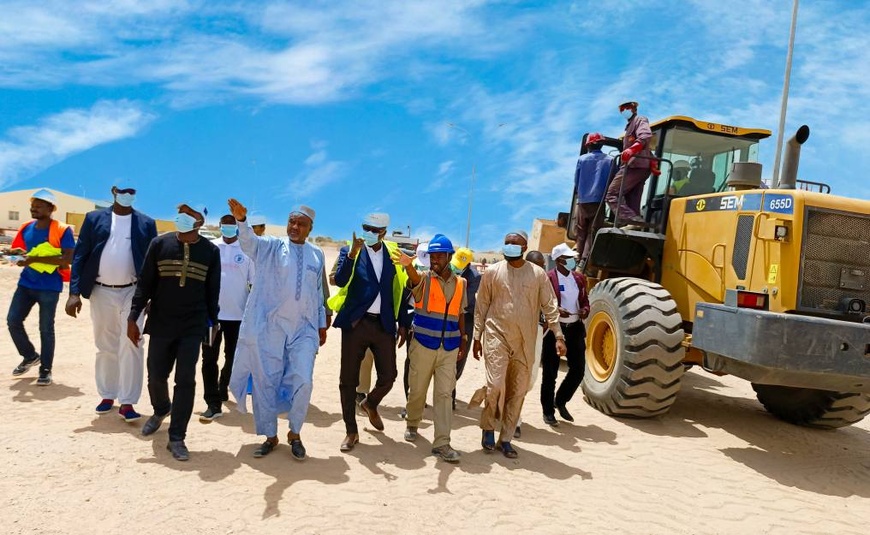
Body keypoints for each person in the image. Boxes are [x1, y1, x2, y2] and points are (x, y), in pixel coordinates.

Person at [226, 200, 327, 461]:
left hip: (303, 328)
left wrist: (321, 324)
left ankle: (295, 433)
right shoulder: (271, 246)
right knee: (265, 380)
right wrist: (241, 221)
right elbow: (249, 243)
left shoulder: (317, 254)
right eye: (291, 222)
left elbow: (317, 292)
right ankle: (270, 436)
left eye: (300, 223)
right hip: (270, 325)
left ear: (310, 228)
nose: (294, 227)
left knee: (304, 379)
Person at [129, 203, 221, 462]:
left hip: (192, 326)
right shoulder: (159, 244)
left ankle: (177, 436)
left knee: (185, 380)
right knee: (156, 375)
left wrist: (212, 323)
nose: (180, 218)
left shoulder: (211, 252)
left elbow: (213, 291)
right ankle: (161, 410)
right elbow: (144, 283)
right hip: (160, 322)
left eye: (188, 214)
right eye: (179, 213)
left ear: (199, 222)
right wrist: (133, 317)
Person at [65, 185, 158, 420]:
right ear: (114, 191)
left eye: (132, 191)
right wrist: (74, 292)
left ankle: (128, 402)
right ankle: (108, 394)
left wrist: (152, 296)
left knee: (132, 343)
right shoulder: (94, 218)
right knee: (105, 345)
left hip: (133, 292)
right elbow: (80, 255)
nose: (128, 195)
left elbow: (152, 262)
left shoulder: (146, 223)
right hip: (100, 291)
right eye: (123, 190)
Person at [473, 231, 565, 458]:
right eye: (507, 243)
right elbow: (482, 305)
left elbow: (550, 305)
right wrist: (477, 336)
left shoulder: (537, 274)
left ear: (524, 247)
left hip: (525, 341)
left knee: (517, 391)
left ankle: (506, 438)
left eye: (515, 243)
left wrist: (559, 336)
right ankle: (487, 428)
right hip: (497, 336)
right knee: (495, 385)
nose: (510, 246)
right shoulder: (493, 272)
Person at [329, 213, 409, 452]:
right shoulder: (349, 251)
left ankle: (371, 403)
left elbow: (401, 289)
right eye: (366, 228)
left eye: (375, 229)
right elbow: (340, 281)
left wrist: (403, 323)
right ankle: (351, 431)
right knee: (348, 380)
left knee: (389, 375)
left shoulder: (394, 255)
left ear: (384, 232)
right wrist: (352, 254)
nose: (369, 232)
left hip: (383, 324)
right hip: (356, 323)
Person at [392, 234, 466, 463]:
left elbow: (460, 313)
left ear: (448, 257)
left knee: (444, 394)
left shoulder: (461, 284)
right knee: (418, 390)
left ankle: (442, 443)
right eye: (432, 256)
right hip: (423, 344)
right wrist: (407, 267)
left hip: (450, 347)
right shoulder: (423, 279)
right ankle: (413, 423)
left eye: (439, 255)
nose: (434, 260)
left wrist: (463, 340)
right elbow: (413, 280)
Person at [7, 189, 76, 386]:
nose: (33, 208)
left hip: (49, 287)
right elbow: (25, 252)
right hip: (26, 284)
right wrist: (16, 254)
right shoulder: (26, 227)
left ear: (50, 208)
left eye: (38, 206)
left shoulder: (62, 230)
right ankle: (29, 356)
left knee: (46, 329)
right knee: (13, 321)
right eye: (33, 205)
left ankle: (45, 369)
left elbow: (68, 257)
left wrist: (33, 259)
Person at [197, 214, 254, 423]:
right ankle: (212, 402)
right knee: (208, 358)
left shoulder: (246, 251)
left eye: (232, 225)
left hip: (238, 317)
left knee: (233, 357)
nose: (228, 228)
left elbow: (254, 283)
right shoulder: (211, 247)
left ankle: (223, 385)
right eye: (225, 225)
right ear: (220, 226)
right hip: (211, 315)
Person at [541, 243, 590, 426]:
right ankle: (548, 411)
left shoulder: (578, 278)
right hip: (555, 330)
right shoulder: (548, 279)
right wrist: (556, 309)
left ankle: (560, 400)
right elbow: (543, 302)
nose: (573, 260)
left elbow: (585, 300)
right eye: (569, 258)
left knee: (578, 370)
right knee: (550, 373)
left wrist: (585, 309)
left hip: (575, 329)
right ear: (559, 260)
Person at [513, 250, 549, 439]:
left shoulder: (545, 284)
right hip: (514, 334)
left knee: (529, 379)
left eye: (542, 266)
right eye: (537, 265)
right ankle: (513, 420)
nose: (540, 269)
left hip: (536, 335)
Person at [605, 100, 654, 228]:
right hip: (640, 166)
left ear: (633, 108)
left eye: (625, 108)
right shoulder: (629, 126)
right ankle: (634, 223)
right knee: (632, 197)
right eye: (621, 109)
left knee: (611, 194)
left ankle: (633, 220)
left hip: (635, 166)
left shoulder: (640, 120)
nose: (623, 111)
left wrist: (632, 149)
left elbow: (645, 136)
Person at [574, 133, 613, 262]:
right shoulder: (610, 160)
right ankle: (585, 258)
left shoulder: (582, 159)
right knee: (593, 231)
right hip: (599, 201)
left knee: (581, 232)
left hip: (583, 200)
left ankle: (578, 256)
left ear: (588, 145)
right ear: (602, 144)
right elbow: (614, 181)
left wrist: (581, 195)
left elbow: (577, 180)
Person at [450, 247, 480, 408]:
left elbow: (465, 300)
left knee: (461, 355)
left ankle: (451, 390)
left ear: (468, 265)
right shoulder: (447, 267)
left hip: (466, 318)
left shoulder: (474, 277)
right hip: (448, 316)